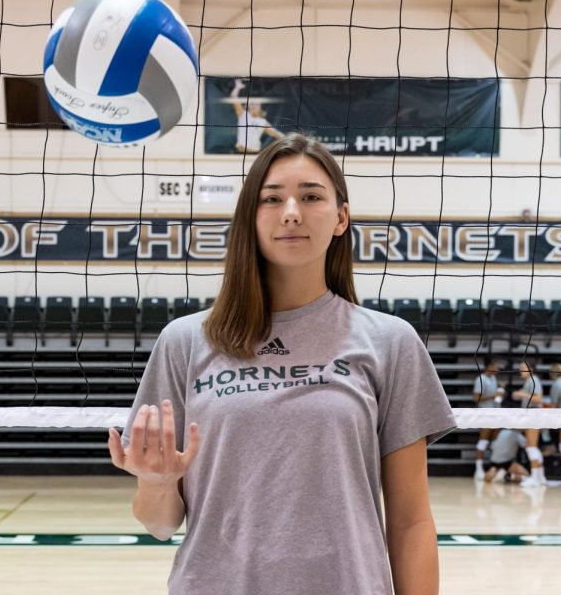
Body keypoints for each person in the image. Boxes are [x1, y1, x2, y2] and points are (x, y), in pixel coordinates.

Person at [107, 134, 456, 595]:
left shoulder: (389, 341)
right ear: (250, 219)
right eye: (271, 199)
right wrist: (156, 483)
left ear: (341, 218)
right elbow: (159, 523)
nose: (291, 211)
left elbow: (411, 520)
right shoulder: (186, 341)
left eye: (311, 196)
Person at [512, 361, 546, 487]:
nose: (520, 370)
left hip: (534, 414)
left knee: (531, 447)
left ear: (531, 369)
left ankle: (535, 477)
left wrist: (522, 394)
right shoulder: (529, 381)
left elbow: (538, 399)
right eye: (520, 368)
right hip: (531, 414)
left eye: (523, 368)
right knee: (533, 447)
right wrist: (519, 395)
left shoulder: (533, 379)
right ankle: (540, 477)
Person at [230, 78, 284, 153]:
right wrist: (237, 87)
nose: (253, 105)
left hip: (255, 152)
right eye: (251, 104)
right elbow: (234, 98)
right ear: (248, 106)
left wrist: (287, 139)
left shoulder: (262, 122)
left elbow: (276, 133)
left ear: (260, 107)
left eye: (256, 104)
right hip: (241, 152)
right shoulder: (243, 115)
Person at [473, 359, 505, 480]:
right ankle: (479, 469)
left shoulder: (493, 378)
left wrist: (500, 390)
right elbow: (476, 398)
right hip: (485, 413)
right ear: (490, 365)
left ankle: (494, 469)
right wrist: (494, 395)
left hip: (495, 413)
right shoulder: (480, 379)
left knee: (495, 442)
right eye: (496, 366)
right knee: (483, 441)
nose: (498, 369)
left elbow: (496, 397)